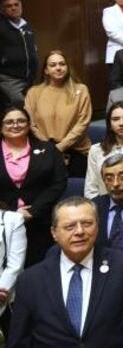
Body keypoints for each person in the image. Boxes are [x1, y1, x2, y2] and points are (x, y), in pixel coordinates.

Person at [9, 196, 123, 348]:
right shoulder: (30, 280)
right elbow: (18, 346)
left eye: (87, 224)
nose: (79, 232)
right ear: (54, 233)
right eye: (70, 226)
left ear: (98, 227)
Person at [0, 106, 67, 266]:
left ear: (29, 124)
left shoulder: (48, 149)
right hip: (1, 223)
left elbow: (58, 182)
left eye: (21, 121)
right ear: (1, 127)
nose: (15, 125)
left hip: (40, 221)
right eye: (9, 122)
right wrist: (9, 214)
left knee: (38, 270)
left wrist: (33, 211)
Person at [26, 49, 92, 177]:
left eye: (62, 64)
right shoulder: (34, 92)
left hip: (76, 151)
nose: (58, 68)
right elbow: (31, 125)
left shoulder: (81, 90)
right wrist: (51, 149)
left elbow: (82, 123)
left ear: (67, 67)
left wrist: (60, 148)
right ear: (46, 70)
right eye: (53, 65)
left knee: (77, 191)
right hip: (45, 149)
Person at [0, 0, 38, 110]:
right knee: (20, 103)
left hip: (29, 77)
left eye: (16, 5)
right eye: (9, 6)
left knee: (33, 104)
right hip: (9, 77)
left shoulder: (27, 27)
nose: (13, 8)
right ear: (2, 10)